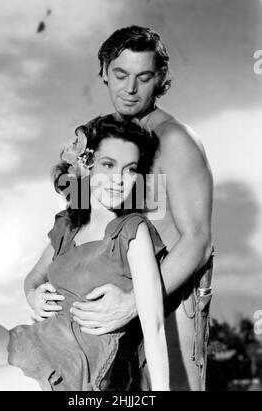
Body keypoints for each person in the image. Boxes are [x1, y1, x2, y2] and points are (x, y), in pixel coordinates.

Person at [0, 116, 169, 391]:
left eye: (130, 169)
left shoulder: (132, 231)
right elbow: (34, 276)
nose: (120, 179)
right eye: (109, 165)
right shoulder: (68, 226)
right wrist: (33, 295)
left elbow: (154, 327)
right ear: (86, 166)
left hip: (72, 370)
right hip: (34, 343)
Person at [62, 26, 213, 391]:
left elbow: (198, 240)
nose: (130, 89)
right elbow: (80, 221)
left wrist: (135, 303)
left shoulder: (175, 140)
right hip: (111, 299)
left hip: (169, 301)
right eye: (120, 75)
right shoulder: (105, 141)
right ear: (103, 72)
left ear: (159, 78)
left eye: (143, 77)